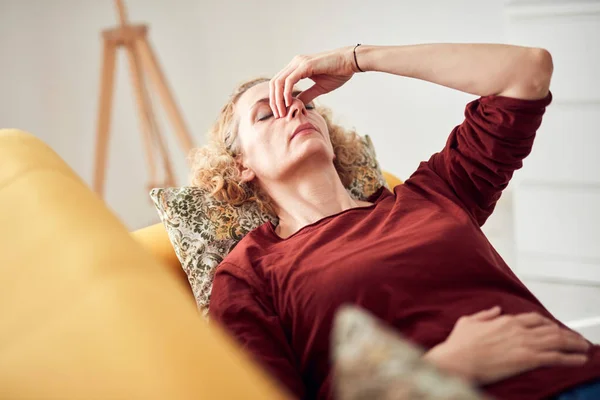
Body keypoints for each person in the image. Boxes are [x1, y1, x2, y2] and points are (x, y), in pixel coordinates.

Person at [191, 43, 600, 399]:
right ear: (240, 163)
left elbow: (528, 71)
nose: (295, 107)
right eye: (266, 114)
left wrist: (358, 58)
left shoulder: (433, 193)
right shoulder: (250, 273)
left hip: (582, 372)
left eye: (305, 102)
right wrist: (441, 367)